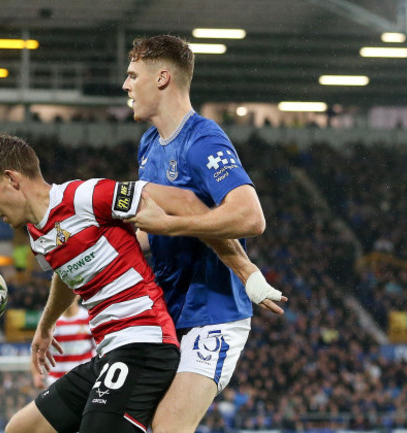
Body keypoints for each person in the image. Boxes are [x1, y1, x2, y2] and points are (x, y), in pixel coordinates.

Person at [122, 34, 287, 433]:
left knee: (168, 428)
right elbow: (155, 234)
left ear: (162, 78)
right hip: (168, 313)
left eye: (131, 75)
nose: (125, 86)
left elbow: (250, 217)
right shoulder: (148, 144)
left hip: (214, 315)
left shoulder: (203, 139)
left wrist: (173, 224)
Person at [0, 134, 182, 433]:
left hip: (143, 343)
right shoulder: (36, 235)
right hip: (109, 352)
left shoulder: (84, 196)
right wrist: (46, 325)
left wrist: (240, 254)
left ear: (12, 179)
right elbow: (66, 274)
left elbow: (174, 202)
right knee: (21, 429)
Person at [30, 297, 96, 389]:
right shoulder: (50, 322)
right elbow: (36, 350)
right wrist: (36, 375)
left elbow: (100, 350)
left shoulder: (89, 318)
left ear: (78, 295)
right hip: (55, 382)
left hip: (85, 380)